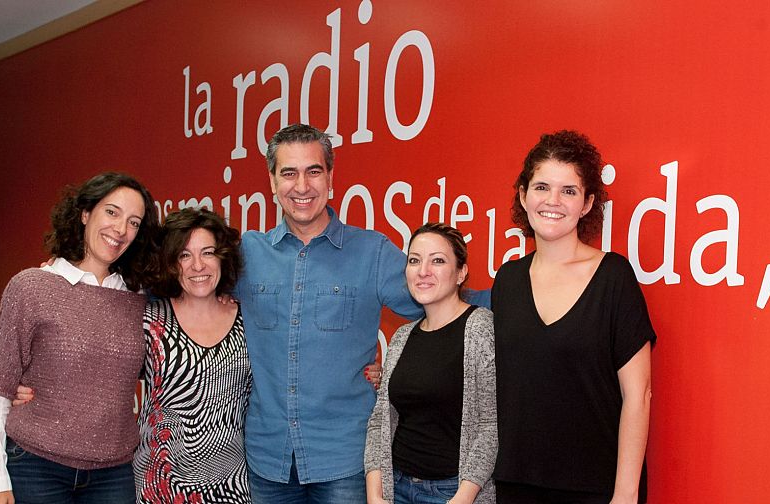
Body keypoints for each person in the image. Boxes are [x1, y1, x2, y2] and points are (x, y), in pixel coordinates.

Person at [238, 123, 438, 504]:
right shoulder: (248, 253)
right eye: (289, 173)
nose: (302, 186)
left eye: (314, 171)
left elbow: (440, 307)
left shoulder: (372, 252)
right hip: (266, 462)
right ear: (271, 181)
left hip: (344, 463)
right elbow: (184, 292)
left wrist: (398, 368)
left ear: (331, 177)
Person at [0, 172, 160, 504]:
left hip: (113, 474)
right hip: (36, 468)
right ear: (86, 214)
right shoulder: (30, 287)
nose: (120, 230)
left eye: (134, 222)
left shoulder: (139, 299)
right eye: (112, 212)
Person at [490, 131, 655, 504]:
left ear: (587, 204)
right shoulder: (508, 280)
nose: (553, 201)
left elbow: (639, 395)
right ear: (522, 195)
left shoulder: (613, 277)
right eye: (542, 187)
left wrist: (625, 493)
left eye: (569, 191)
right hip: (516, 484)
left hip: (596, 488)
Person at [365, 223, 497, 504]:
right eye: (414, 260)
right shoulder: (403, 336)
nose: (423, 270)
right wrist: (375, 493)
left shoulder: (480, 328)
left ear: (461, 273)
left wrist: (462, 497)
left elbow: (490, 425)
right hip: (396, 487)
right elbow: (381, 419)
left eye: (438, 260)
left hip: (452, 493)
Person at [134, 207, 252, 503]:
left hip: (232, 485)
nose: (197, 265)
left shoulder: (249, 320)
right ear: (172, 264)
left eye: (208, 252)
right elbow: (98, 373)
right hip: (158, 486)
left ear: (223, 257)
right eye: (185, 255)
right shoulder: (149, 320)